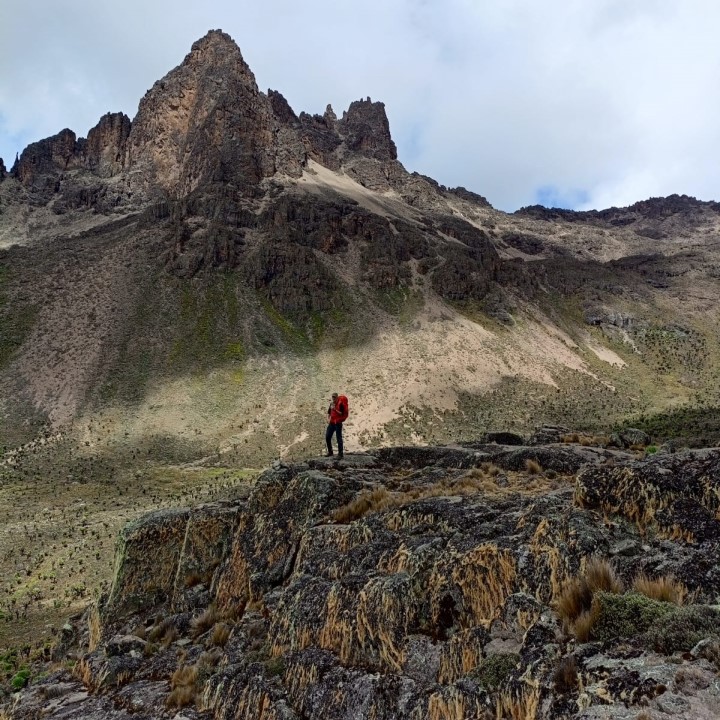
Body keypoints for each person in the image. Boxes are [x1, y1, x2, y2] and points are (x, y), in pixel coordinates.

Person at [326, 392, 348, 458]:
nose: (333, 398)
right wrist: (328, 419)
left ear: (337, 397)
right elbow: (329, 412)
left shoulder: (340, 404)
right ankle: (330, 452)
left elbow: (341, 413)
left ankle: (340, 454)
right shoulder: (331, 404)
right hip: (332, 422)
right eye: (332, 397)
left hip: (338, 423)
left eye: (334, 397)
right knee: (327, 436)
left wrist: (335, 409)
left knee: (339, 438)